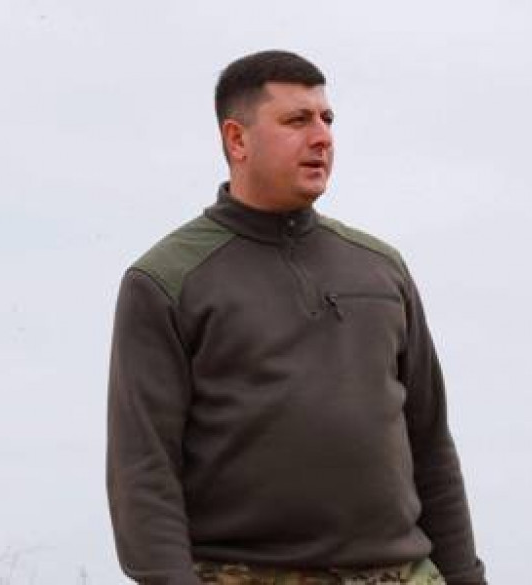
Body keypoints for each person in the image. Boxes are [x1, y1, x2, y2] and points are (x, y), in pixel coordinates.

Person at [106, 50, 487, 585]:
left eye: (327, 119)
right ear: (237, 140)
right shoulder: (166, 280)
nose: (322, 137)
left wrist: (465, 577)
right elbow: (143, 470)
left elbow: (431, 444)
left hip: (400, 573)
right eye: (296, 120)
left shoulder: (381, 269)